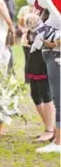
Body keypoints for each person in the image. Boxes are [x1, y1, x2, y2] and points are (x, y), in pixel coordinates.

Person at [25, 13, 55, 143]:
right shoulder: (40, 12)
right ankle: (50, 127)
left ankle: (50, 130)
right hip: (33, 62)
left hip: (43, 61)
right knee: (35, 95)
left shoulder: (51, 18)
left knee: (46, 95)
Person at [36, 11, 61, 153]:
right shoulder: (53, 9)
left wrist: (50, 44)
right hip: (51, 54)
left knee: (59, 101)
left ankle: (58, 142)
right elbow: (42, 30)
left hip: (56, 54)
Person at [17, 0, 39, 83]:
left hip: (38, 38)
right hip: (26, 39)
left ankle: (37, 78)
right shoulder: (23, 9)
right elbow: (20, 24)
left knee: (37, 60)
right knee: (28, 59)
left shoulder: (40, 9)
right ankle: (27, 80)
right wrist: (23, 31)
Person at [4, 0, 16, 74]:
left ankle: (10, 70)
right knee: (8, 49)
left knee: (8, 49)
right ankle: (9, 70)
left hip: (7, 28)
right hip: (7, 27)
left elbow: (11, 14)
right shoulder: (7, 0)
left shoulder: (8, 1)